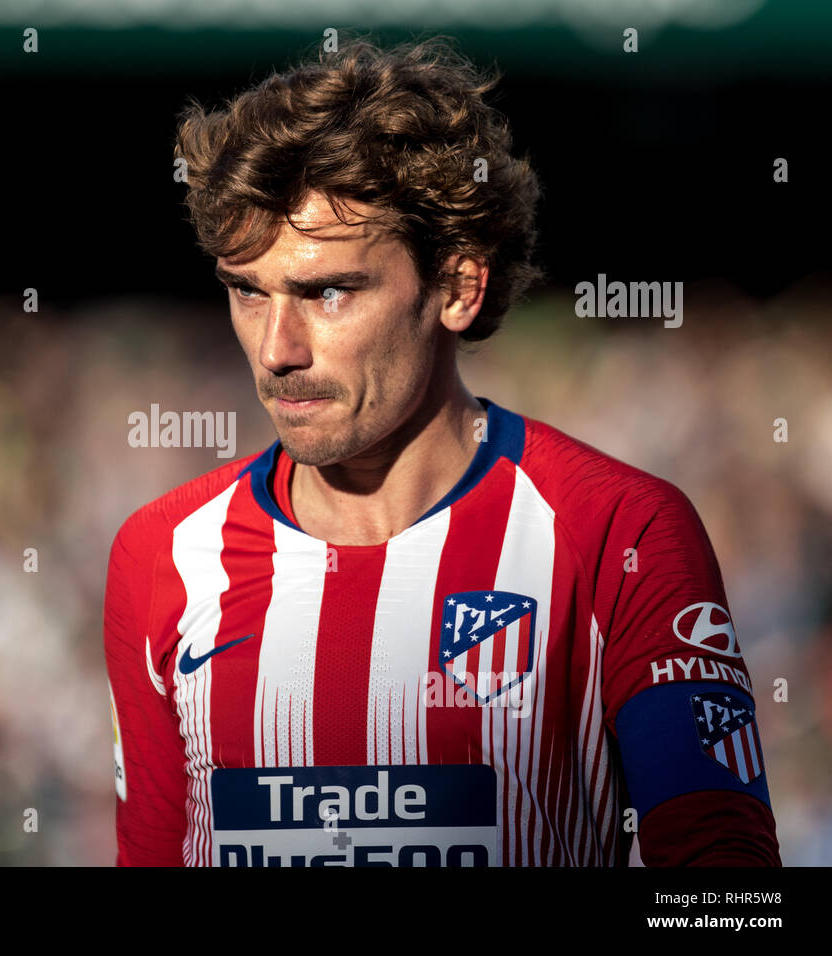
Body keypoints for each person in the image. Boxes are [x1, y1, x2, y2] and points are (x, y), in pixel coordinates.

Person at [102, 36, 779, 866]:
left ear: (458, 287)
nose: (277, 348)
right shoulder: (161, 555)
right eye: (248, 291)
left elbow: (726, 887)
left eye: (327, 292)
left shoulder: (619, 532)